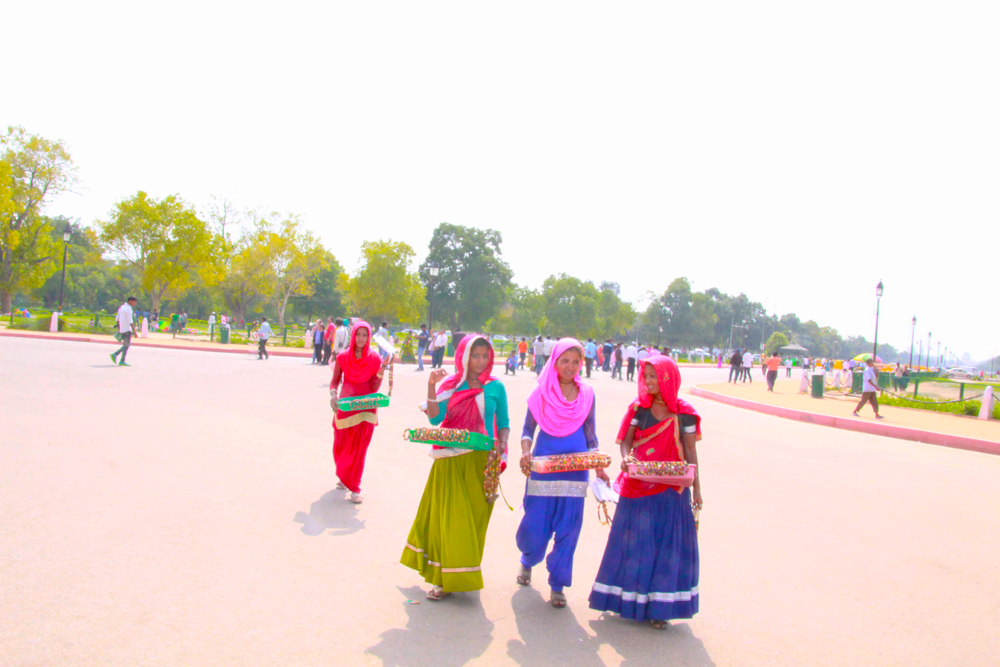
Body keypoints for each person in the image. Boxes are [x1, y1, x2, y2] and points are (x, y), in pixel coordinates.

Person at [589, 356, 702, 630]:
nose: (648, 382)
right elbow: (626, 443)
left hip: (672, 489)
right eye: (646, 376)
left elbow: (690, 452)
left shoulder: (684, 413)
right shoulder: (639, 408)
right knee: (634, 544)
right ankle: (627, 602)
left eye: (654, 377)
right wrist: (626, 459)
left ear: (668, 379)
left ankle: (659, 609)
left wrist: (697, 489)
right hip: (637, 485)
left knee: (666, 548)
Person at [401, 334, 510, 601]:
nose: (481, 361)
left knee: (474, 520)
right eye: (475, 355)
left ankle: (462, 572)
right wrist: (431, 385)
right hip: (450, 459)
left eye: (485, 356)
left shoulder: (496, 387)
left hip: (483, 461)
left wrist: (502, 445)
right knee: (451, 519)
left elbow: (504, 423)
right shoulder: (452, 385)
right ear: (464, 357)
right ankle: (443, 581)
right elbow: (435, 418)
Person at [516, 338, 610, 608]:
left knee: (569, 529)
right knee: (535, 526)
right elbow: (527, 430)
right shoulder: (540, 393)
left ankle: (557, 584)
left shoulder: (587, 394)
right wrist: (526, 452)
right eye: (565, 361)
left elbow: (590, 434)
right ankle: (527, 560)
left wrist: (599, 467)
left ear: (582, 364)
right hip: (543, 468)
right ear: (554, 362)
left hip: (575, 472)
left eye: (576, 362)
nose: (570, 366)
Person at [329, 320, 392, 503]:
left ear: (369, 337)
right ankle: (344, 476)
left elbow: (374, 386)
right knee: (341, 447)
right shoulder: (343, 357)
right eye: (358, 334)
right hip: (345, 408)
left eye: (365, 335)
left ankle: (355, 487)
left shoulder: (375, 359)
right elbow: (334, 381)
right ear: (353, 335)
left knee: (359, 450)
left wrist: (383, 368)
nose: (361, 338)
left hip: (366, 409)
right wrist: (333, 395)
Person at [110, 297, 139, 366]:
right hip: (127, 329)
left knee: (126, 345)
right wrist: (134, 331)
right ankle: (119, 358)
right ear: (130, 301)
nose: (135, 304)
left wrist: (119, 328)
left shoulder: (122, 307)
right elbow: (130, 321)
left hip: (122, 329)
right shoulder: (128, 309)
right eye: (134, 302)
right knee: (126, 345)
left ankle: (118, 356)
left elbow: (117, 318)